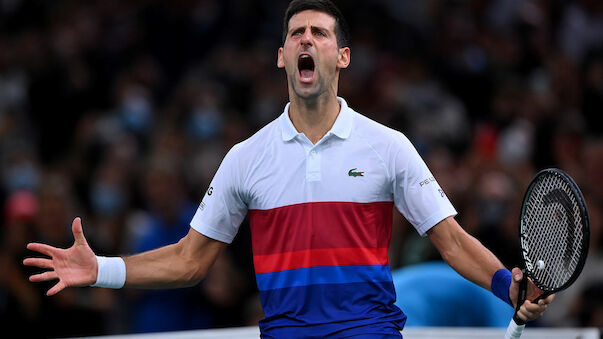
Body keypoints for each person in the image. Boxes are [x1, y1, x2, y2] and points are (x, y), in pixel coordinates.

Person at [24, 0, 554, 337]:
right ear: (281, 57)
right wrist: (102, 271)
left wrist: (508, 286)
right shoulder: (245, 157)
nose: (306, 40)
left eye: (319, 33)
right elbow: (189, 260)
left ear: (342, 56)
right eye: (296, 33)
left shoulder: (389, 146)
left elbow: (452, 241)